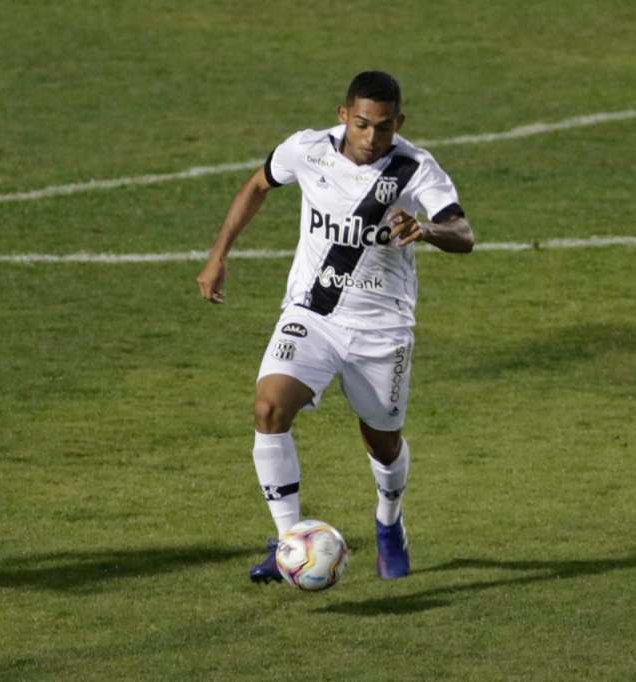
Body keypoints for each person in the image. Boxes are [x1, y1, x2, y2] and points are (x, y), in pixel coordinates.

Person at [196, 70, 474, 582]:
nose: (372, 138)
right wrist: (218, 256)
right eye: (362, 124)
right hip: (313, 313)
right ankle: (290, 544)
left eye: (384, 127)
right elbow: (258, 184)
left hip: (381, 329)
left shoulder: (415, 168)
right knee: (269, 406)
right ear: (344, 115)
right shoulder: (308, 149)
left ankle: (388, 520)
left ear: (399, 123)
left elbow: (464, 233)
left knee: (382, 443)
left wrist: (426, 229)